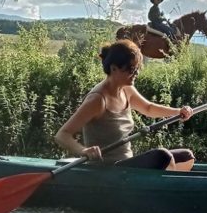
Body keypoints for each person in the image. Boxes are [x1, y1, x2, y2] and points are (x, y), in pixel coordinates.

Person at [55, 39, 195, 170]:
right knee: (163, 156)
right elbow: (62, 135)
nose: (136, 73)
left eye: (137, 68)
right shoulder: (98, 100)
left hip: (126, 165)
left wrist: (178, 111)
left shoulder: (126, 89)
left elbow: (148, 108)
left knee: (186, 156)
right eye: (131, 69)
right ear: (114, 68)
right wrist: (84, 150)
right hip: (108, 169)